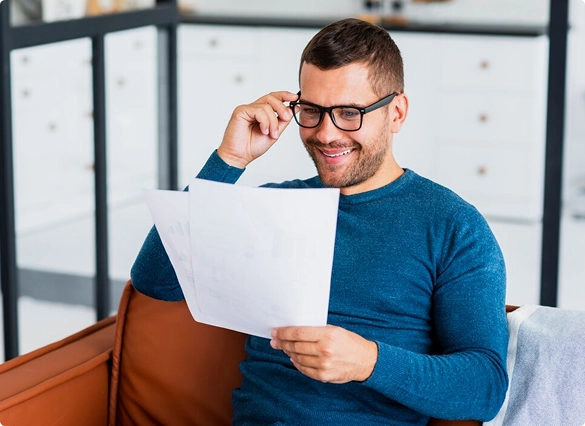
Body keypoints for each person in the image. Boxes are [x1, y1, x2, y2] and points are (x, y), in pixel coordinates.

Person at [131, 18, 508, 425]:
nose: (326, 134)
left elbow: (485, 387)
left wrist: (368, 361)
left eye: (349, 113)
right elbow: (155, 281)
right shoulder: (271, 205)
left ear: (396, 112)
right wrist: (229, 160)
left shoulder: (453, 226)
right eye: (311, 111)